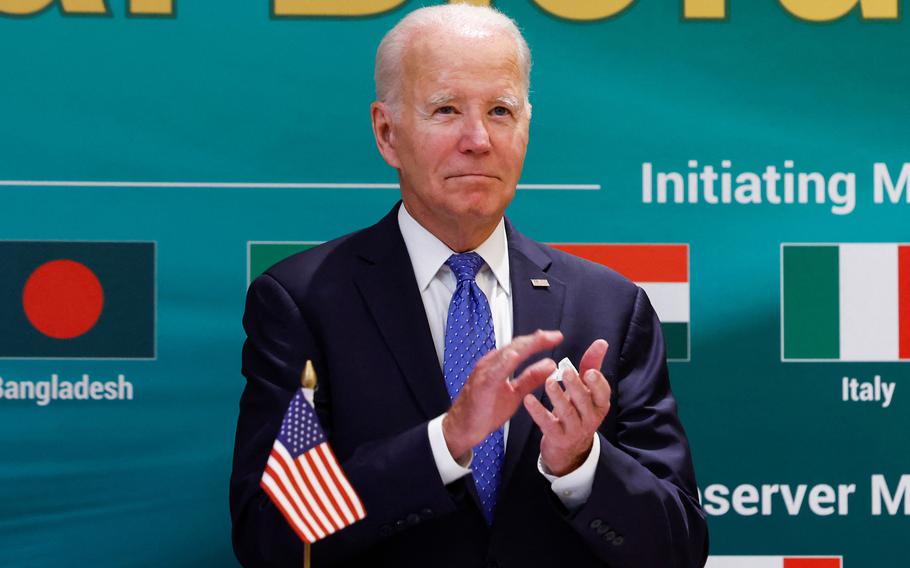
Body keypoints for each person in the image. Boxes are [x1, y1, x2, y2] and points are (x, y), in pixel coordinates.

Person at [230, 5, 708, 567]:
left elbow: (679, 552)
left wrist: (580, 463)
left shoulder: (610, 307)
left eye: (500, 110)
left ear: (526, 129)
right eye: (446, 109)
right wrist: (446, 443)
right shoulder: (303, 302)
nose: (478, 139)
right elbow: (274, 538)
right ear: (387, 132)